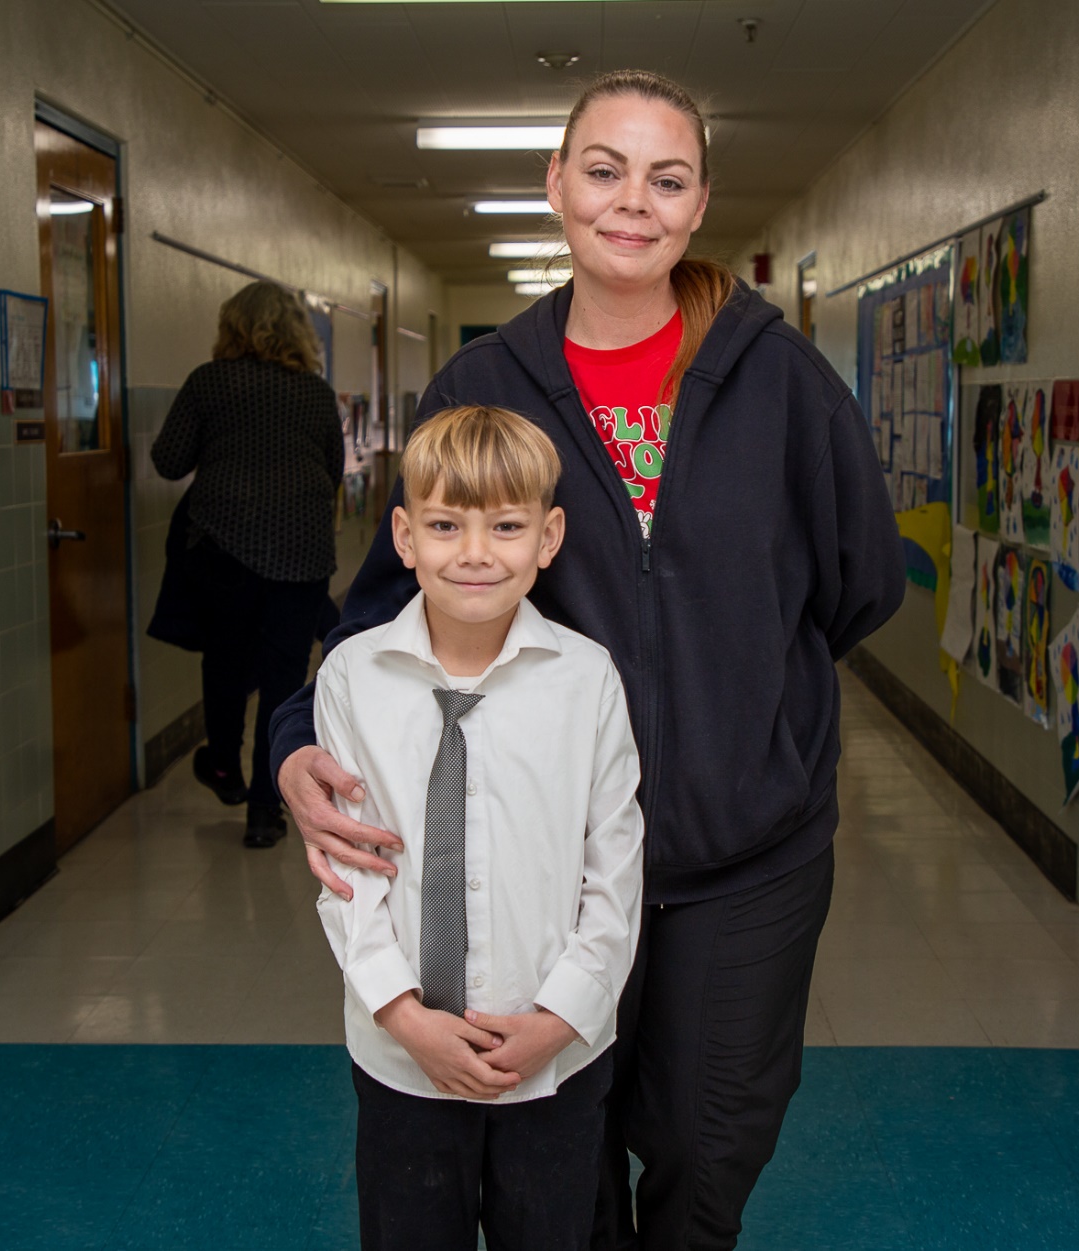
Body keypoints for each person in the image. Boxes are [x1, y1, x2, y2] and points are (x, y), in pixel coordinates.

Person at [273, 70, 905, 1249]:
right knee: (558, 1149)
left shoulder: (781, 384)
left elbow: (858, 583)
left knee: (705, 1150)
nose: (632, 202)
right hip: (543, 864)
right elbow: (384, 605)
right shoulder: (482, 386)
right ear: (554, 186)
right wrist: (290, 741)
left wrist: (738, 703)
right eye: (603, 171)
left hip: (743, 856)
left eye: (665, 179)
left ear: (699, 201)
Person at [313, 405, 643, 1251]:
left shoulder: (586, 679)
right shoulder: (352, 677)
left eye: (504, 525)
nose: (473, 552)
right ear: (403, 535)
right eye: (444, 524)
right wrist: (404, 1014)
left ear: (548, 535)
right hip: (401, 1057)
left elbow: (613, 873)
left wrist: (558, 1019)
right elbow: (347, 875)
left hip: (555, 1057)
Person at [152, 280, 342, 848]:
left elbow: (167, 460)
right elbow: (332, 468)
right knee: (284, 681)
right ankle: (266, 810)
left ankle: (225, 769)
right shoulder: (313, 392)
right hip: (302, 551)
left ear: (232, 326)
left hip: (224, 549)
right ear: (297, 333)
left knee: (226, 663)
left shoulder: (209, 382)